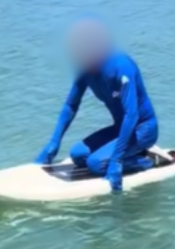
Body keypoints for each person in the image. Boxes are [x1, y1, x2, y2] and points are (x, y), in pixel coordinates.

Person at [35, 18, 158, 191]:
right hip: (120, 129)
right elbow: (71, 105)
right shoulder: (86, 69)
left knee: (95, 164)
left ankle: (143, 161)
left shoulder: (122, 67)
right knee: (77, 155)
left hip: (142, 129)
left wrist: (116, 159)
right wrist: (54, 142)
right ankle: (124, 153)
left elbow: (132, 115)